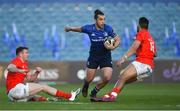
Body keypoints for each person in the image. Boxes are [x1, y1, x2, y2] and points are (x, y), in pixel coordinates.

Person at [65, 9, 120, 101]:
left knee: (107, 77)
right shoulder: (89, 28)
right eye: (100, 19)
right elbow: (79, 29)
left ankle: (94, 92)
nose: (103, 22)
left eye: (104, 19)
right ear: (96, 20)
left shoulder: (108, 28)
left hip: (105, 57)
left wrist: (113, 47)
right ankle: (86, 85)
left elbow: (118, 39)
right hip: (93, 57)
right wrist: (70, 28)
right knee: (89, 79)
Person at [101, 17, 157, 102]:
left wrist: (124, 58)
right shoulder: (150, 37)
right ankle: (112, 93)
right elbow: (155, 54)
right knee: (123, 79)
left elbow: (134, 47)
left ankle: (112, 96)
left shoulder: (141, 33)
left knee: (123, 76)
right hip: (149, 68)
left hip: (142, 62)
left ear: (139, 25)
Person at [6, 46, 80, 102]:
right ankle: (70, 96)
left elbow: (30, 79)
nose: (28, 54)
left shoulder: (25, 64)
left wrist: (37, 72)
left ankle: (48, 99)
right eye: (26, 53)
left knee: (34, 95)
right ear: (20, 54)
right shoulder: (17, 60)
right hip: (15, 89)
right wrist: (19, 70)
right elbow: (9, 68)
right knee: (43, 87)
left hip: (13, 94)